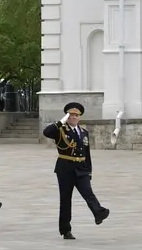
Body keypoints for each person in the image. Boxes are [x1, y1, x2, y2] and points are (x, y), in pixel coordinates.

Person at [42, 101, 109, 240]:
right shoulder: (60, 130)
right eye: (71, 115)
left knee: (88, 193)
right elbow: (46, 132)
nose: (74, 117)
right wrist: (61, 122)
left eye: (76, 115)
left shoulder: (84, 132)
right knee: (66, 199)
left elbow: (87, 153)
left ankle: (98, 213)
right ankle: (66, 230)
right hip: (65, 168)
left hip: (81, 168)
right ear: (67, 116)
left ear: (80, 117)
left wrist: (89, 171)